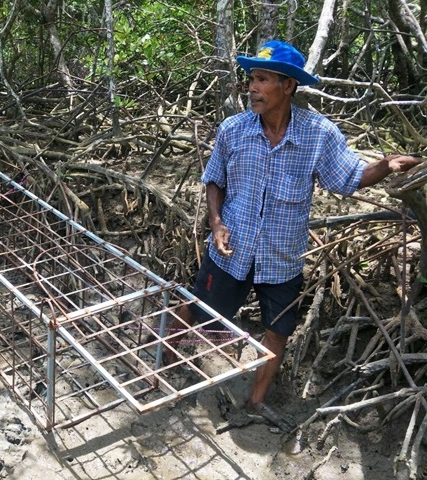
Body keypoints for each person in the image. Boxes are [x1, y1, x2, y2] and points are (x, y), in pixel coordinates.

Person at [170, 40, 421, 426]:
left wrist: (388, 164)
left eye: (262, 79)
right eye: (251, 79)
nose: (251, 88)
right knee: (200, 307)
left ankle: (255, 402)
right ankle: (167, 360)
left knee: (278, 331)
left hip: (281, 257)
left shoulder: (318, 133)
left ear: (287, 86)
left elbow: (350, 178)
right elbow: (214, 179)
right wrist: (216, 222)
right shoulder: (233, 129)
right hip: (231, 247)